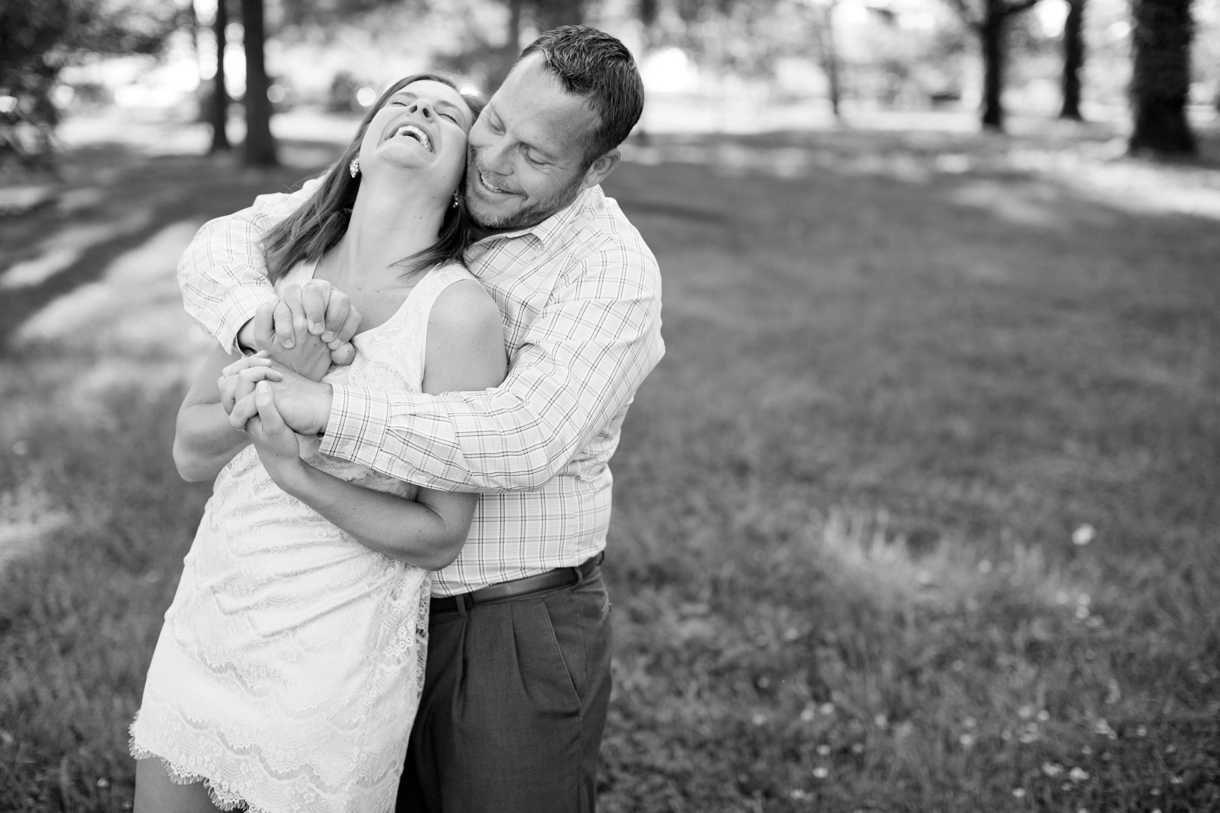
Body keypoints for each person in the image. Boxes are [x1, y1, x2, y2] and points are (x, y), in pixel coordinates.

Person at [177, 26, 664, 813]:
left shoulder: (611, 274)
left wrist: (327, 407)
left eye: (534, 155)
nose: (494, 160)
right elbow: (230, 240)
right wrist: (257, 323)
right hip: (370, 604)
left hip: (508, 615)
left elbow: (522, 437)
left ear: (597, 166)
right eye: (496, 122)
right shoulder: (446, 179)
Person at [130, 73, 506, 813]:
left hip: (333, 660)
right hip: (214, 616)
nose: (421, 110)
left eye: (448, 115)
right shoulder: (280, 274)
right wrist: (279, 375)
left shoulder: (459, 315)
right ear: (359, 154)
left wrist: (296, 472)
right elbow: (188, 450)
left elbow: (437, 535)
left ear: (464, 178)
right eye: (401, 101)